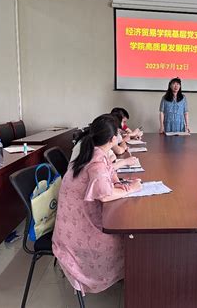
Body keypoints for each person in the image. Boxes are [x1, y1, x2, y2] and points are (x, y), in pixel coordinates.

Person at [52, 115, 142, 295]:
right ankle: (133, 280)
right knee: (127, 239)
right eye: (117, 133)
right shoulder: (96, 160)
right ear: (111, 139)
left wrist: (119, 184)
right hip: (77, 230)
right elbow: (105, 194)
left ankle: (129, 275)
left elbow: (108, 176)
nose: (119, 135)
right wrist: (131, 188)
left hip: (76, 218)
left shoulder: (94, 151)